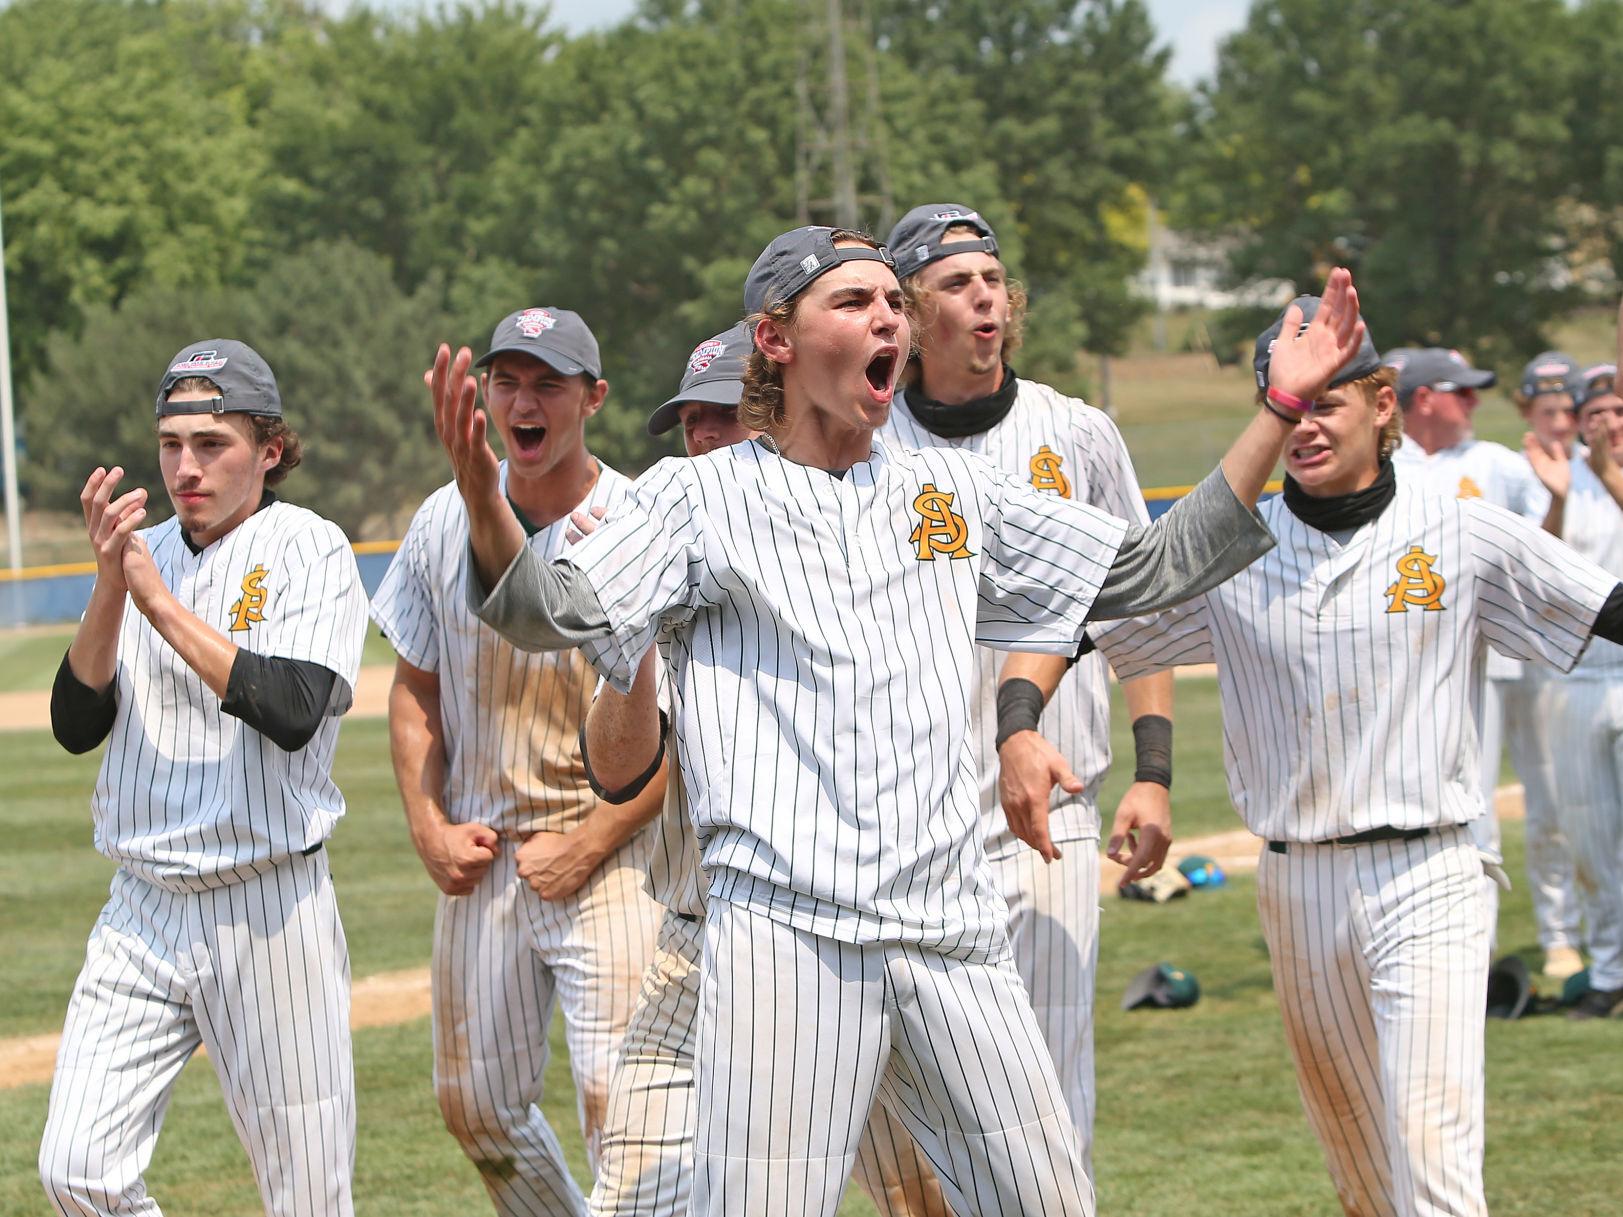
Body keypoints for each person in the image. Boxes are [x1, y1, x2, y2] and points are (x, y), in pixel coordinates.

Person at [436, 226, 1365, 1216]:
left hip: (950, 929)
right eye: (852, 301)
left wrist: (1279, 409)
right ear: (776, 340)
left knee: (1049, 1203)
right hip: (788, 939)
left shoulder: (953, 492)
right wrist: (478, 487)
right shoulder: (695, 500)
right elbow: (545, 612)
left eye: (892, 301)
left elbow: (1141, 572)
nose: (886, 317)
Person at [1089, 302, 1623, 1216]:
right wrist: (1137, 762)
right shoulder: (1230, 552)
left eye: (1324, 401)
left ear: (1383, 404)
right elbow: (1109, 624)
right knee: (1364, 1176)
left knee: (1429, 1157)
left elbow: (1603, 607)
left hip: (1433, 866)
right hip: (1296, 887)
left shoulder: (1462, 528)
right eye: (1282, 405)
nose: (1301, 425)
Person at [587, 323, 946, 1216]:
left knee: (923, 1198)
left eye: (726, 418)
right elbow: (620, 771)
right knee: (631, 1201)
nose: (702, 440)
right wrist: (626, 638)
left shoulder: (851, 567)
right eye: (689, 425)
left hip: (846, 944)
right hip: (697, 950)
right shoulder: (648, 554)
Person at [39, 339, 368, 1216]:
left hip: (266, 909)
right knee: (77, 1167)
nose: (186, 465)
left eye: (212, 442)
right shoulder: (140, 554)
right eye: (171, 443)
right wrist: (112, 583)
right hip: (141, 905)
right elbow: (76, 723)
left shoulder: (310, 548)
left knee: (306, 1197)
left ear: (268, 448)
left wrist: (155, 600)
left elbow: (294, 706)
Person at [877, 202, 1173, 1167]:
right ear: (913, 317)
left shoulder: (1075, 433)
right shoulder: (871, 449)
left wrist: (1154, 770)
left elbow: (1139, 611)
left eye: (993, 280)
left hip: (1050, 811)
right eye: (955, 285)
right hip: (907, 823)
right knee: (923, 1113)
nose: (984, 299)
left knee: (1049, 1095)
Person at [370, 307, 664, 1214]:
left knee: (626, 1108)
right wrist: (425, 823)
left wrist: (591, 839)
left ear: (594, 398)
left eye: (548, 382)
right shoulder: (435, 518)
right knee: (477, 1110)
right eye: (507, 381)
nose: (523, 401)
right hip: (485, 853)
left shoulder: (642, 520)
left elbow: (686, 729)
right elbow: (415, 685)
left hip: (612, 858)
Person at [1385, 346, 1552, 943]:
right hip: (1407, 661)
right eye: (1464, 391)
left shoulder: (1498, 463)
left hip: (1500, 657)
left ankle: (1504, 948)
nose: (1476, 402)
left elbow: (1545, 552)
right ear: (1425, 399)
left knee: (1507, 799)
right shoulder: (1385, 464)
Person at [1520, 360, 1623, 1019]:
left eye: (1616, 410)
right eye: (1596, 412)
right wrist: (1557, 494)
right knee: (1588, 834)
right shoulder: (1557, 478)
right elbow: (1539, 567)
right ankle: (1609, 970)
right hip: (1578, 674)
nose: (1606, 421)